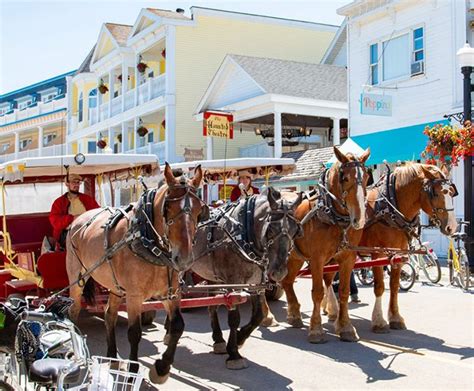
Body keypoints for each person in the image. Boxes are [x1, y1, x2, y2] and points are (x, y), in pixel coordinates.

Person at [49, 174, 99, 249]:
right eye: (73, 182)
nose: (76, 185)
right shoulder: (59, 202)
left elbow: (98, 212)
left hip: (88, 231)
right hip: (68, 234)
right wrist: (73, 218)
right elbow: (55, 221)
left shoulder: (87, 199)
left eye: (78, 183)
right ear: (67, 184)